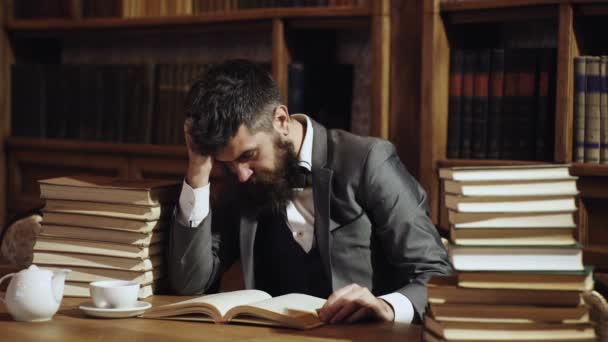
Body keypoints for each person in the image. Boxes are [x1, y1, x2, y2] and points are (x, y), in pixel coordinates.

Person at [168, 59, 452, 324]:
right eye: (227, 164)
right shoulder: (241, 180)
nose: (241, 175)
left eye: (248, 155)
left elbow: (436, 273)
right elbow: (192, 282)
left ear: (280, 120)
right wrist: (197, 172)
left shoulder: (368, 161)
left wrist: (388, 306)